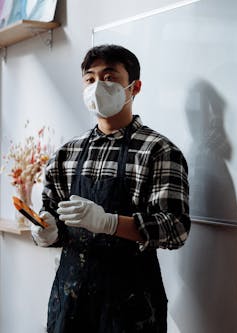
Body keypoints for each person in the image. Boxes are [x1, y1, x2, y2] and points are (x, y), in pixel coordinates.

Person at [30, 44, 191, 333]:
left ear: (134, 87)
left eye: (109, 77)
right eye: (90, 79)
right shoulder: (67, 154)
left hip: (132, 305)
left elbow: (175, 229)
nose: (97, 86)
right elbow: (51, 214)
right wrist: (47, 230)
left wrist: (109, 222)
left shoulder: (158, 151)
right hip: (71, 301)